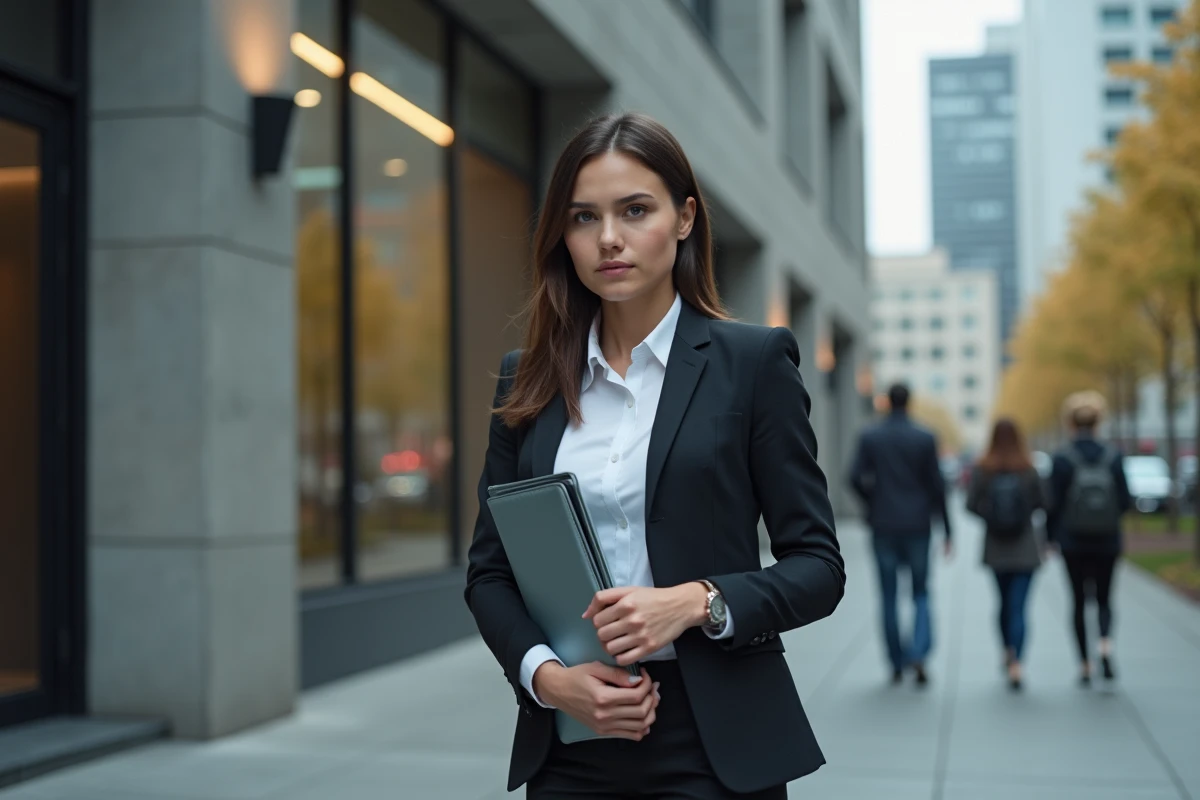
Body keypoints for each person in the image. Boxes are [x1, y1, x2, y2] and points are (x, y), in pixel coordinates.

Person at [464, 112, 846, 799]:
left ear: (684, 218)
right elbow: (489, 574)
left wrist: (698, 602)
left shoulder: (752, 364)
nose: (608, 238)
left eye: (634, 210)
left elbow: (818, 568)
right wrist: (550, 681)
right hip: (575, 739)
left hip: (715, 742)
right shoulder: (528, 379)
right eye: (583, 218)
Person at [849, 383, 952, 686]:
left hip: (883, 524)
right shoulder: (924, 437)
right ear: (909, 402)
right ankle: (918, 652)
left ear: (886, 403)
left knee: (889, 595)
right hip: (918, 525)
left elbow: (853, 477)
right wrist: (947, 527)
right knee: (920, 591)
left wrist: (872, 503)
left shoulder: (871, 436)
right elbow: (937, 484)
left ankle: (896, 661)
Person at [1046, 391, 1132, 686]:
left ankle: (1084, 663)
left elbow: (1052, 504)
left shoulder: (1062, 458)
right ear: (1098, 421)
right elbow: (1124, 500)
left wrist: (1049, 537)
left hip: (1072, 541)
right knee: (1106, 598)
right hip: (1107, 539)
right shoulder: (1113, 456)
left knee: (1079, 601)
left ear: (1070, 422)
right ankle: (1105, 645)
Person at [965, 418, 1046, 691]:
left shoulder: (983, 469)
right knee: (1019, 607)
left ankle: (1006, 650)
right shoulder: (1029, 468)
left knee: (1003, 603)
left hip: (996, 547)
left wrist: (991, 516)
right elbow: (1041, 502)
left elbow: (971, 505)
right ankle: (1017, 662)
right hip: (1025, 546)